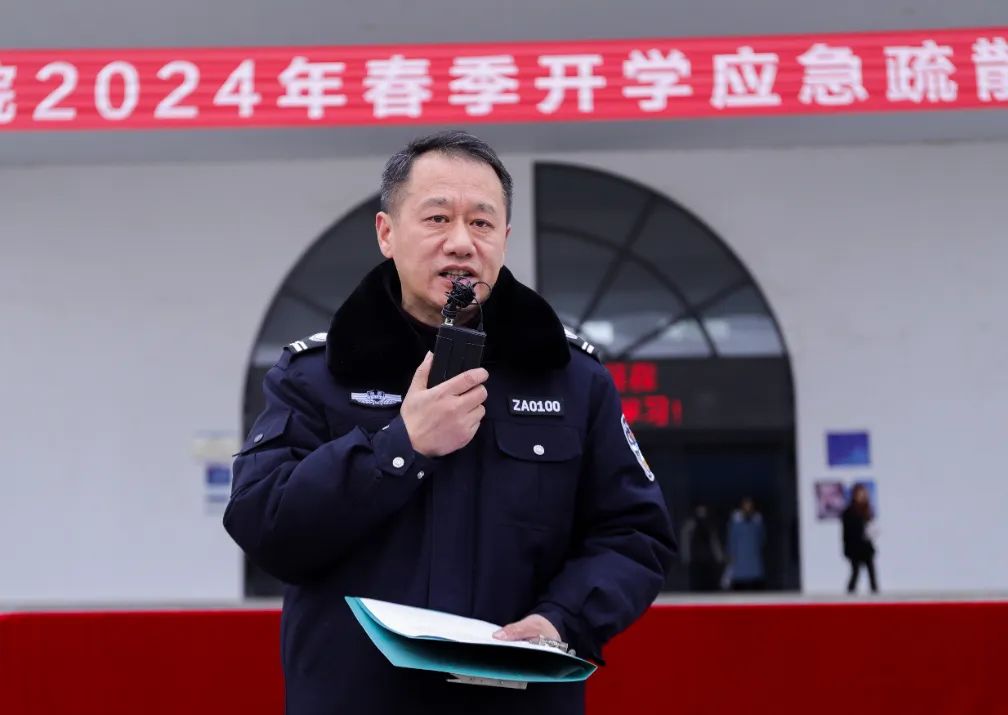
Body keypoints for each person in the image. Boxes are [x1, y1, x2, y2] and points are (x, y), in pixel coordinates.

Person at [223, 130, 675, 715]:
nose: (461, 243)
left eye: (482, 223)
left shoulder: (570, 377)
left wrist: (562, 620)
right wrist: (400, 447)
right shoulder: (315, 375)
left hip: (519, 700)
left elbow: (635, 535)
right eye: (437, 218)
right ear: (387, 233)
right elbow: (265, 528)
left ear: (504, 238)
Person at [842, 483, 878, 594]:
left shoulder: (866, 510)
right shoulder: (849, 512)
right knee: (855, 572)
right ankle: (850, 594)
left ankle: (875, 594)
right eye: (860, 494)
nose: (862, 496)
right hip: (854, 548)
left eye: (863, 494)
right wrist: (847, 549)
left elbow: (869, 527)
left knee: (871, 571)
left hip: (866, 547)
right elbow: (846, 533)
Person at [680, 504, 724, 592]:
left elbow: (714, 542)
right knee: (697, 584)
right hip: (696, 559)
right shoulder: (691, 524)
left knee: (707, 584)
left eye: (703, 510)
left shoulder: (709, 524)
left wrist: (719, 557)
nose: (701, 513)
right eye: (700, 510)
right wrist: (686, 556)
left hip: (708, 560)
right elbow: (685, 541)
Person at [727, 497, 766, 591]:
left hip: (754, 566)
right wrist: (731, 556)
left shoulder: (757, 523)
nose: (748, 509)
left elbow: (762, 540)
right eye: (745, 506)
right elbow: (731, 542)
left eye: (749, 506)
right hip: (739, 568)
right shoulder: (735, 523)